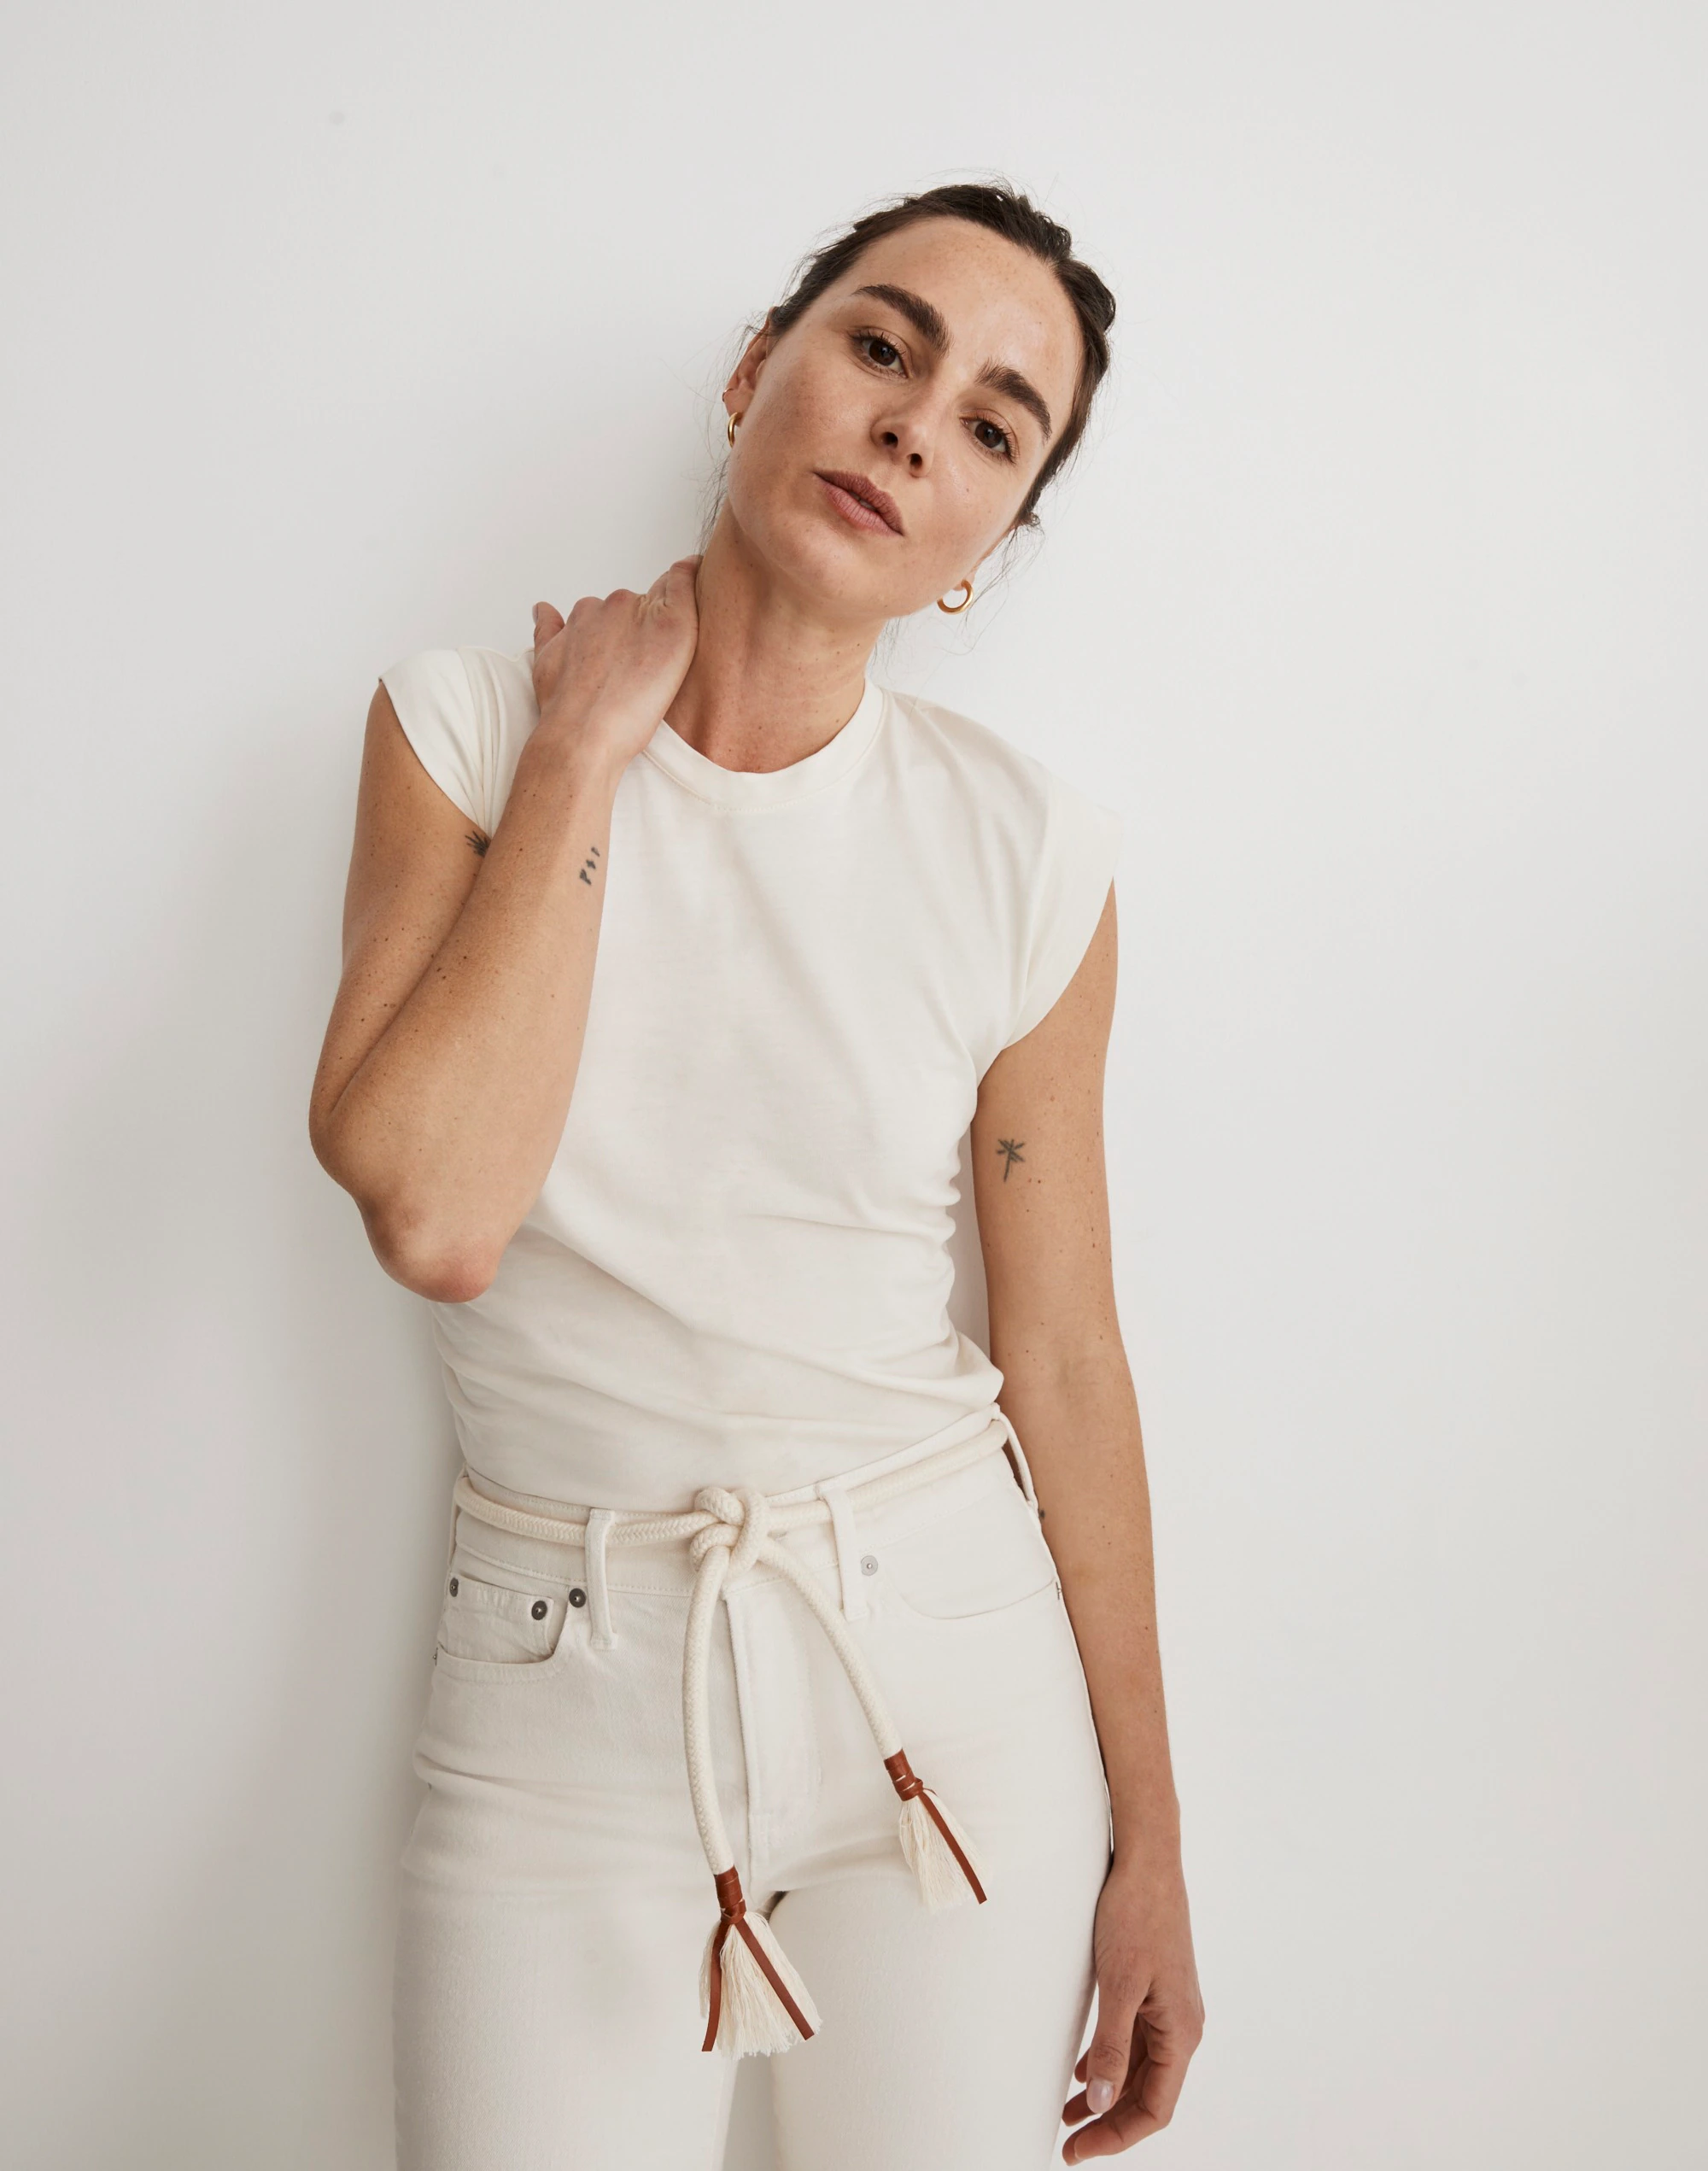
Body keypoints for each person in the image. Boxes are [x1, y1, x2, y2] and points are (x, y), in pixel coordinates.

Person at [309, 179, 1203, 2169]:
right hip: (562, 1685)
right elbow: (435, 1211)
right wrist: (584, 753)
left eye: (992, 425)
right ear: (752, 372)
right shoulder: (466, 730)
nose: (909, 427)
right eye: (881, 345)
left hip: (947, 1689)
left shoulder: (1026, 852)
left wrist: (1150, 1836)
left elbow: (1064, 1357)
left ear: (991, 543)